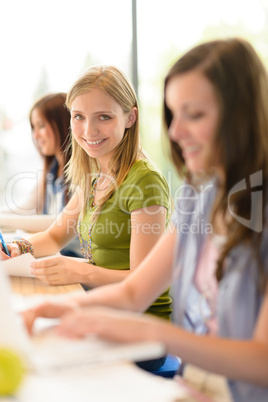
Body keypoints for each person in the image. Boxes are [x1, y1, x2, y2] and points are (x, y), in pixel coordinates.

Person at [19, 38, 268, 401]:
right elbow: (134, 292)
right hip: (195, 387)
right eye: (173, 115)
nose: (175, 132)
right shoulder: (198, 198)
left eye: (194, 115)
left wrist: (156, 335)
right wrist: (51, 307)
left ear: (242, 115)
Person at [1, 66, 172, 368]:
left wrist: (78, 271)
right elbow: (55, 236)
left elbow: (141, 283)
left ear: (130, 118)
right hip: (100, 312)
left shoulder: (144, 181)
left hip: (139, 330)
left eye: (103, 117)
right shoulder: (95, 174)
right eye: (78, 117)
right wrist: (18, 249)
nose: (88, 131)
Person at [0, 93, 81, 257]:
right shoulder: (51, 171)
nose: (36, 135)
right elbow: (21, 209)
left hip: (73, 258)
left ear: (64, 124)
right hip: (57, 255)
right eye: (34, 127)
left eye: (41, 126)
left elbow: (57, 224)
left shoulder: (81, 173)